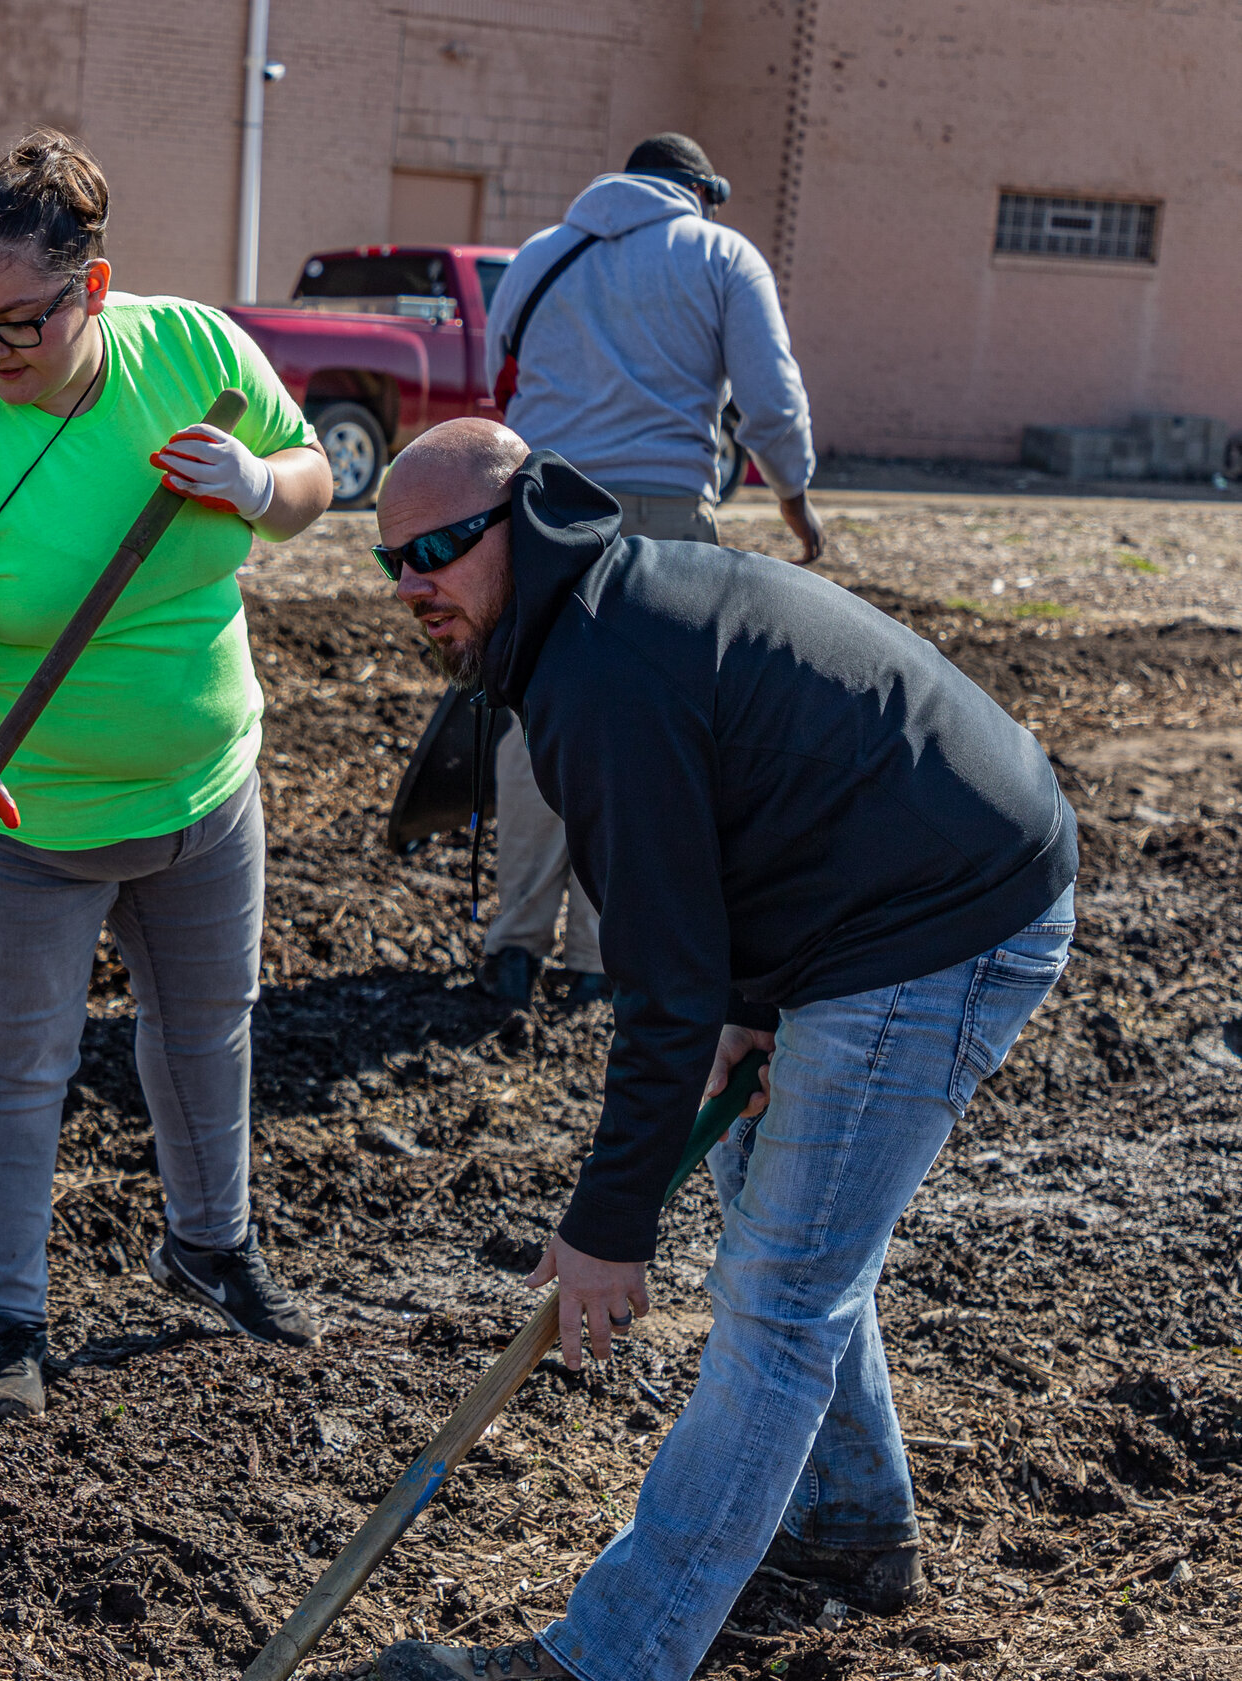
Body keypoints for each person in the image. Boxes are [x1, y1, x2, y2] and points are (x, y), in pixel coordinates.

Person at [371, 419, 1076, 1681]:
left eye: (436, 547)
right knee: (779, 1223)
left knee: (779, 1294)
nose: (414, 581)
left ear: (518, 521)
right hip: (886, 888)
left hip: (943, 917)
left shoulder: (598, 675)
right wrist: (755, 994)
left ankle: (610, 1658)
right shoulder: (600, 619)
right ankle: (852, 1524)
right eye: (391, 563)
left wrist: (608, 1223)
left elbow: (658, 982)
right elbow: (723, 859)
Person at [0, 130, 336, 1419]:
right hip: (17, 819)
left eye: (17, 323)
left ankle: (210, 1244)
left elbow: (312, 473)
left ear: (93, 290)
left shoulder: (193, 354)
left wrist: (263, 484)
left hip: (207, 786)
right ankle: (5, 1317)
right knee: (13, 1060)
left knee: (208, 1027)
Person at [474, 132, 825, 1008]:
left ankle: (514, 945)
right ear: (699, 192)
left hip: (547, 511)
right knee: (652, 736)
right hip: (665, 523)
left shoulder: (542, 254)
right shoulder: (720, 255)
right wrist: (794, 497)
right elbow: (771, 403)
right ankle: (602, 955)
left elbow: (498, 378)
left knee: (537, 725)